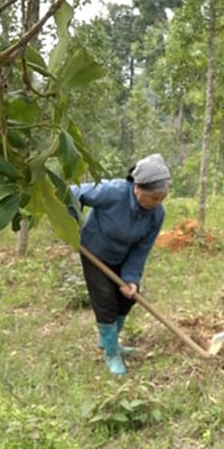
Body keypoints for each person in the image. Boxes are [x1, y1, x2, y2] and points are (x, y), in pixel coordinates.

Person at [70, 153, 170, 376]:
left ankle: (109, 341)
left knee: (128, 297)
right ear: (137, 188)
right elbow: (72, 193)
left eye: (162, 198)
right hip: (94, 252)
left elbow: (141, 250)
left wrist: (131, 278)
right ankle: (111, 353)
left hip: (124, 256)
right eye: (153, 198)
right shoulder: (112, 192)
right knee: (105, 301)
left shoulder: (157, 215)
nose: (157, 203)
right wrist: (70, 225)